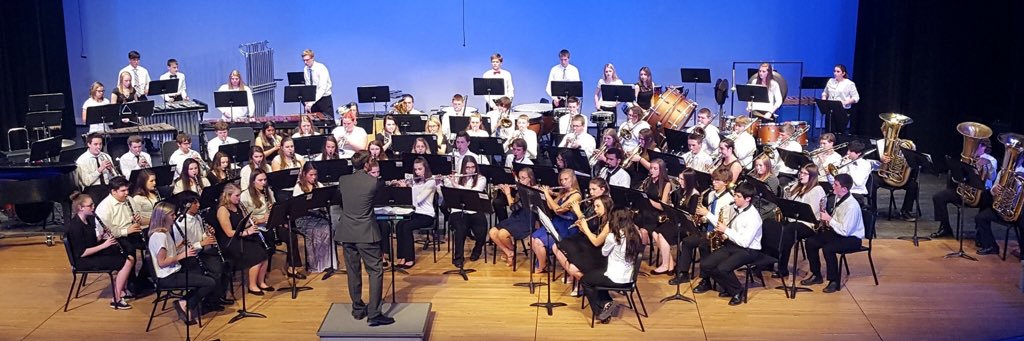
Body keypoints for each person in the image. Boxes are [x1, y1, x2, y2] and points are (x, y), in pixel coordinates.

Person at [335, 151, 394, 326]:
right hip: (366, 233)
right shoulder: (374, 182)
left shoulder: (343, 180)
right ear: (367, 164)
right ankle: (374, 314)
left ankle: (358, 309)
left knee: (353, 271)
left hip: (347, 232)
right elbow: (379, 201)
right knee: (375, 271)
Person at [692, 181, 763, 305]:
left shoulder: (753, 217)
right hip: (733, 244)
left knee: (723, 268)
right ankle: (728, 288)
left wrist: (726, 230)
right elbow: (726, 226)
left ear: (748, 199)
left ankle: (738, 292)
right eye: (735, 195)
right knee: (706, 265)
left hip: (749, 250)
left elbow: (744, 242)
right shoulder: (735, 207)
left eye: (738, 196)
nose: (734, 198)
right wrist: (710, 217)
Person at [147, 201, 216, 325]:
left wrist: (179, 245)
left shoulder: (164, 232)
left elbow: (168, 252)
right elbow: (162, 262)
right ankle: (185, 303)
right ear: (163, 217)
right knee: (209, 283)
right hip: (167, 277)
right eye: (172, 215)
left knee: (204, 273)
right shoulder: (159, 236)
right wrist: (183, 255)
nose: (175, 217)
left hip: (174, 270)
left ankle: (187, 303)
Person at [67, 192, 135, 310]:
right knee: (127, 261)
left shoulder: (89, 220)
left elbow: (91, 241)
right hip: (83, 261)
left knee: (123, 252)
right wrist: (104, 245)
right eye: (90, 205)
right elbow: (82, 253)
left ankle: (122, 289)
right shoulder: (75, 226)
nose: (93, 207)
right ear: (80, 208)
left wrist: (101, 236)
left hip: (92, 253)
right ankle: (116, 299)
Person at [800, 174, 864, 293]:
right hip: (838, 232)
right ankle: (816, 274)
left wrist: (829, 219)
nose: (832, 186)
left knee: (828, 248)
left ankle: (834, 281)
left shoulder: (851, 206)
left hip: (852, 238)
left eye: (836, 185)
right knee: (811, 242)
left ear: (844, 189)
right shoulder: (837, 198)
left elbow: (845, 231)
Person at [671, 168, 734, 284]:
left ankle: (705, 280)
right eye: (713, 180)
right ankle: (683, 273)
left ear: (726, 182)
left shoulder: (729, 200)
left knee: (703, 245)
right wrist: (702, 218)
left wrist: (707, 214)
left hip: (720, 235)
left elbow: (725, 223)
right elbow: (709, 215)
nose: (713, 182)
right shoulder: (711, 195)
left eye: (717, 180)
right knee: (687, 242)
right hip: (708, 230)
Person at [581, 208, 643, 323]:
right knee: (597, 276)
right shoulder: (636, 234)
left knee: (585, 280)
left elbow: (604, 253)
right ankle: (607, 303)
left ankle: (599, 312)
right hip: (629, 277)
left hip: (616, 278)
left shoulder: (613, 236)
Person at [172, 191, 231, 311]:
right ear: (186, 205)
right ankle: (207, 303)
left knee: (226, 264)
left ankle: (217, 297)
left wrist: (208, 234)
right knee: (214, 272)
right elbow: (180, 249)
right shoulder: (180, 224)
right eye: (195, 203)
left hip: (200, 252)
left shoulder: (198, 217)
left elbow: (201, 236)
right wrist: (202, 243)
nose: (199, 205)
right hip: (188, 258)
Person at [243, 169, 303, 278]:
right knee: (268, 244)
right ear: (253, 181)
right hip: (257, 229)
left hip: (271, 225)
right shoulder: (245, 196)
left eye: (265, 180)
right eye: (260, 180)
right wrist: (262, 220)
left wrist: (274, 212)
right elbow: (246, 219)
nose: (263, 183)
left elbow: (276, 208)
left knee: (291, 236)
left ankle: (292, 268)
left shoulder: (268, 191)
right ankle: (262, 272)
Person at [931, 138, 996, 237]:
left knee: (988, 200)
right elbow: (958, 177)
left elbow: (992, 177)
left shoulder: (991, 160)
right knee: (938, 197)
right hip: (964, 191)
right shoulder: (968, 158)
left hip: (981, 195)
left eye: (976, 146)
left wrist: (987, 165)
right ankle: (945, 228)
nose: (973, 149)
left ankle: (981, 234)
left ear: (984, 147)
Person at [214, 183, 271, 295]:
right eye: (237, 195)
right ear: (228, 196)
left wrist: (253, 223)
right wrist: (247, 232)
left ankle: (261, 282)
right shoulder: (222, 210)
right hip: (231, 242)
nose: (239, 198)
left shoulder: (238, 206)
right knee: (257, 256)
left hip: (241, 237)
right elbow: (229, 232)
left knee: (265, 253)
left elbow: (243, 223)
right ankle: (252, 286)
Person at [777, 164, 827, 278]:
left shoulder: (817, 190)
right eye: (801, 172)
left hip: (810, 225)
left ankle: (782, 267)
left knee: (789, 230)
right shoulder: (797, 186)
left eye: (805, 173)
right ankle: (775, 263)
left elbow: (812, 213)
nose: (801, 175)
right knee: (777, 227)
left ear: (812, 176)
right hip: (795, 221)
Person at [557, 180, 613, 281]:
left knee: (571, 256)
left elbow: (597, 241)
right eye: (590, 189)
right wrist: (582, 227)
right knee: (562, 245)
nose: (591, 192)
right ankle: (580, 280)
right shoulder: (596, 207)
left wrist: (579, 214)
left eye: (594, 189)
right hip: (592, 243)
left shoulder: (610, 220)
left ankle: (585, 283)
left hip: (600, 253)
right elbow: (594, 234)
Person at [532, 169, 583, 272]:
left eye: (566, 179)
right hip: (556, 222)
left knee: (538, 242)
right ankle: (544, 263)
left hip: (567, 227)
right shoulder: (563, 193)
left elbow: (558, 210)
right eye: (561, 180)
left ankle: (542, 266)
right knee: (533, 238)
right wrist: (546, 194)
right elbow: (551, 206)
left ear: (573, 179)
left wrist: (547, 195)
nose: (563, 182)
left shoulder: (576, 195)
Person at [392, 157, 438, 269]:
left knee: (407, 227)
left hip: (427, 215)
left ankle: (410, 258)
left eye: (420, 169)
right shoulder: (414, 181)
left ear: (425, 168)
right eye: (416, 169)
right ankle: (401, 257)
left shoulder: (431, 182)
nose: (417, 172)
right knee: (399, 225)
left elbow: (418, 200)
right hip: (415, 212)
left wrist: (406, 190)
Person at [972, 157, 1024, 255]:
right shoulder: (1004, 172)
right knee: (980, 218)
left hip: (1019, 211)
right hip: (1003, 208)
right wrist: (994, 190)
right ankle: (991, 246)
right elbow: (993, 189)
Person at [291, 163, 337, 272]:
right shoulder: (298, 187)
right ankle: (315, 263)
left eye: (315, 175)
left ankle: (327, 263)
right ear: (304, 174)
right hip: (303, 217)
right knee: (315, 231)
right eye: (311, 175)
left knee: (327, 228)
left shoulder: (319, 185)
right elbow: (297, 207)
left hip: (317, 215)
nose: (314, 177)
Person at [445, 156, 489, 268]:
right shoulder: (457, 177)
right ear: (463, 168)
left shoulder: (481, 179)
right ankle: (458, 257)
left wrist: (455, 184)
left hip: (475, 209)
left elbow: (474, 192)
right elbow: (445, 193)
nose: (470, 170)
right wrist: (444, 181)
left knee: (482, 229)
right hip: (458, 210)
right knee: (460, 229)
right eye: (467, 167)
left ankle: (477, 250)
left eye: (473, 167)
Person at [489, 167, 538, 266]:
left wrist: (508, 194)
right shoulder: (521, 189)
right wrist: (506, 193)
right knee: (492, 232)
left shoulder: (531, 191)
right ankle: (509, 252)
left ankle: (510, 252)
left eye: (523, 178)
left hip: (526, 220)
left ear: (530, 178)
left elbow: (513, 207)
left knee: (502, 234)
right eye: (519, 178)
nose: (520, 180)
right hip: (516, 217)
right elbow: (516, 204)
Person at [665, 170, 701, 284]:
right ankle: (671, 264)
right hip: (680, 223)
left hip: (689, 228)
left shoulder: (694, 194)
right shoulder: (681, 191)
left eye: (682, 179)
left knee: (680, 240)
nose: (679, 181)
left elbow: (691, 214)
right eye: (679, 178)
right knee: (660, 232)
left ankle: (682, 272)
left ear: (689, 181)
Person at [640, 159, 674, 274]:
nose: (652, 171)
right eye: (651, 168)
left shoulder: (666, 184)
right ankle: (670, 264)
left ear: (661, 170)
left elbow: (662, 206)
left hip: (657, 215)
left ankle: (667, 264)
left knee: (655, 235)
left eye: (655, 169)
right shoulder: (648, 180)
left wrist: (648, 201)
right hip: (646, 212)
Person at [822, 64, 860, 134]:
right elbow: (825, 92)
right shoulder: (830, 81)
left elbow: (856, 97)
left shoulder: (849, 83)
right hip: (830, 109)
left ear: (843, 73)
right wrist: (824, 100)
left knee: (839, 132)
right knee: (828, 131)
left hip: (842, 110)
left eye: (838, 71)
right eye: (834, 71)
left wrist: (845, 102)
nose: (835, 73)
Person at [835, 140, 874, 207]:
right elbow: (839, 178)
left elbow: (858, 182)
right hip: (843, 192)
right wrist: (842, 165)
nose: (847, 153)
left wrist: (849, 165)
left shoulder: (865, 164)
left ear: (858, 153)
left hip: (856, 194)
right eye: (848, 150)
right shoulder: (846, 162)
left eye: (851, 151)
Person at [301, 49, 334, 117]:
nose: (305, 62)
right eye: (304, 60)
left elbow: (322, 88)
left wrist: (311, 103)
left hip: (324, 99)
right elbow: (308, 85)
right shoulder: (306, 69)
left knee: (328, 120)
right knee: (312, 120)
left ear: (312, 58)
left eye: (307, 60)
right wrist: (307, 101)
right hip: (313, 99)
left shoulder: (321, 68)